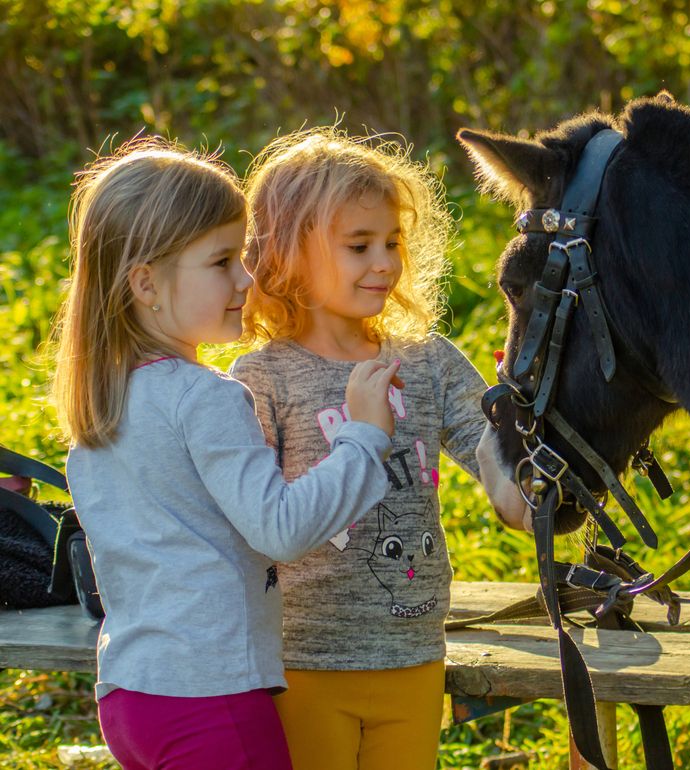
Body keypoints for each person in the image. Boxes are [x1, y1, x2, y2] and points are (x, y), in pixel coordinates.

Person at [50, 137, 401, 770]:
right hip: (209, 697)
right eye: (221, 262)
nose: (247, 277)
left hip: (131, 694)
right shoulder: (204, 398)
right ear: (145, 283)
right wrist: (364, 437)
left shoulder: (102, 401)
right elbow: (282, 528)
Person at [230, 127, 487, 770]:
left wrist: (532, 463)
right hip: (304, 659)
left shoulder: (426, 361)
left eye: (392, 243)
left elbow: (494, 452)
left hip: (415, 649)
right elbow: (254, 523)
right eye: (359, 246)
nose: (384, 263)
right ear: (287, 254)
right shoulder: (262, 380)